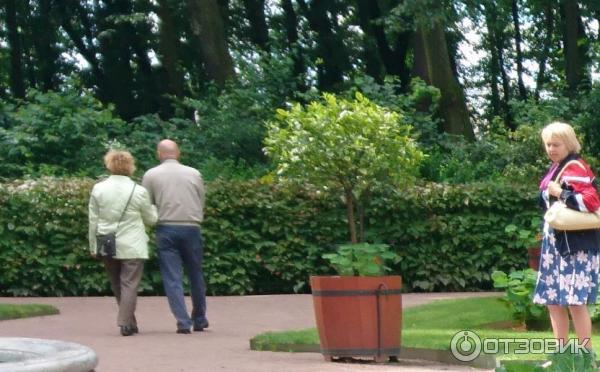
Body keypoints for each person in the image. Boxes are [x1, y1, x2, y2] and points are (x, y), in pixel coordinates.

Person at [533, 121, 600, 352]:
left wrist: (559, 192)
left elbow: (591, 201)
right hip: (557, 245)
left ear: (568, 144)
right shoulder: (558, 167)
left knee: (575, 302)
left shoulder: (575, 167)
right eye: (548, 144)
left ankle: (584, 356)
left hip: (575, 247)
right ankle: (561, 355)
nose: (551, 148)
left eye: (556, 144)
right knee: (553, 301)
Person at [142, 139, 209, 334]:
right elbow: (201, 199)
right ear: (178, 153)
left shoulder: (151, 174)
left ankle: (182, 320)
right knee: (196, 273)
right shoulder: (194, 173)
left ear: (159, 154)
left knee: (172, 277)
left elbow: (147, 204)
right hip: (191, 226)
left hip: (166, 228)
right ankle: (200, 317)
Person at [88, 150, 157, 336]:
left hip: (106, 241)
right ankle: (126, 322)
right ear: (130, 166)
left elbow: (93, 219)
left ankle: (129, 322)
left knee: (117, 284)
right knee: (129, 284)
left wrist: (93, 245)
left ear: (108, 164)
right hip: (133, 243)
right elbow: (151, 219)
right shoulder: (139, 190)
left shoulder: (99, 188)